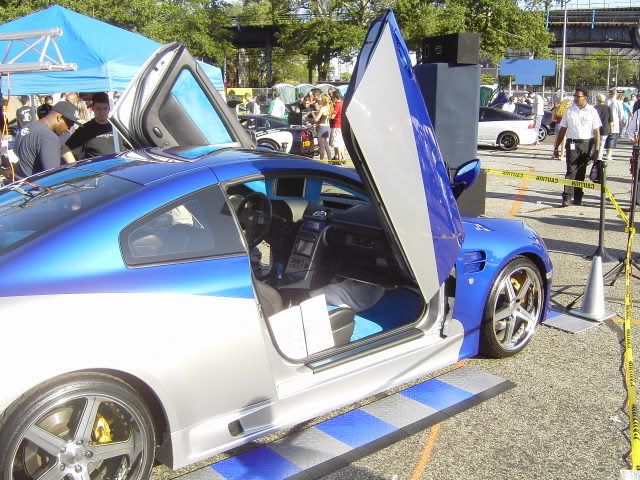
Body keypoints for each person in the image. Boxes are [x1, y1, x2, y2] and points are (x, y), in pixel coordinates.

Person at [553, 87, 601, 207]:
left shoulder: (592, 111)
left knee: (581, 171)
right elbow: (563, 130)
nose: (575, 98)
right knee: (571, 170)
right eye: (574, 96)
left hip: (587, 144)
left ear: (585, 97)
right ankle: (567, 197)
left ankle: (578, 197)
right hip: (572, 144)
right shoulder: (570, 111)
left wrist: (597, 149)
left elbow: (596, 131)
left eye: (578, 96)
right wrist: (556, 147)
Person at [14, 100, 81, 179]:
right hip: (36, 185)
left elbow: (16, 152)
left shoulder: (27, 128)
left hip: (20, 182)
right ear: (59, 118)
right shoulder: (49, 137)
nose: (68, 129)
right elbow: (52, 176)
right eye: (69, 124)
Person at [62, 92, 115, 162]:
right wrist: (76, 167)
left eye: (105, 108)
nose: (102, 113)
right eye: (98, 109)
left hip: (118, 166)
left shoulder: (116, 126)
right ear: (93, 108)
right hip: (96, 167)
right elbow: (65, 150)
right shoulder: (85, 129)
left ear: (109, 108)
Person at [309, 94, 332, 161]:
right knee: (326, 146)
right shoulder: (329, 108)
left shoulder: (323, 108)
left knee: (321, 146)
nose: (320, 100)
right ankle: (330, 160)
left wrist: (313, 114)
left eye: (321, 99)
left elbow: (316, 119)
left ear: (323, 100)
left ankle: (321, 161)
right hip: (328, 127)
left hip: (322, 127)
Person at [605, 88, 623, 161]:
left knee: (606, 136)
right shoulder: (618, 102)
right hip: (614, 121)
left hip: (606, 121)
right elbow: (621, 113)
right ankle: (609, 154)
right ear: (616, 94)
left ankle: (606, 152)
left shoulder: (606, 101)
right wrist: (621, 121)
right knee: (612, 137)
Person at [594, 94, 612, 161]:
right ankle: (599, 157)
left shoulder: (594, 108)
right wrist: (611, 129)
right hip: (605, 128)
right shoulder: (608, 108)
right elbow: (610, 121)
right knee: (602, 144)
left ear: (598, 100)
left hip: (596, 128)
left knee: (595, 143)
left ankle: (594, 155)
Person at [329, 90, 345, 164]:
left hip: (336, 125)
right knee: (341, 143)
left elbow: (333, 116)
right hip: (341, 125)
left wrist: (329, 114)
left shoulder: (337, 105)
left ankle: (338, 159)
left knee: (337, 143)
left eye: (332, 97)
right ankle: (342, 158)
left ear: (335, 98)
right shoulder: (342, 103)